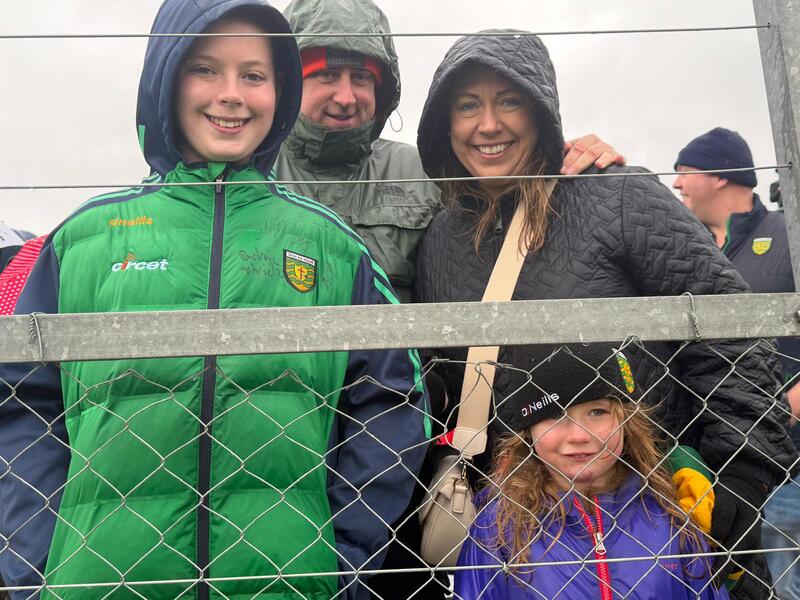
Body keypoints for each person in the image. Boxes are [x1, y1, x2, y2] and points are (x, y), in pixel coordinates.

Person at [0, 1, 428, 598]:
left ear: (278, 91)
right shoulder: (83, 240)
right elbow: (21, 402)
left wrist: (343, 558)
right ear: (165, 78)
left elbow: (392, 399)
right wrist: (35, 565)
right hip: (102, 582)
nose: (231, 94)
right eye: (205, 69)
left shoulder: (331, 245)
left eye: (254, 74)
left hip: (284, 580)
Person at [414, 30, 797, 600]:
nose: (488, 124)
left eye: (509, 100)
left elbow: (731, 333)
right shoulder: (440, 241)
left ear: (541, 111)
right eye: (468, 105)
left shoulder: (618, 196)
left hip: (663, 521)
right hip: (519, 545)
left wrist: (739, 474)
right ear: (444, 123)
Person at [274, 3, 624, 598]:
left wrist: (569, 159)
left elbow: (506, 198)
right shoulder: (244, 173)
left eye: (363, 78)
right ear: (287, 79)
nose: (346, 95)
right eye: (324, 75)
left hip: (398, 446)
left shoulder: (422, 172)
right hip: (277, 432)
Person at [455, 343, 729, 599]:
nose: (579, 435)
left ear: (627, 420)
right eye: (555, 414)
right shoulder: (496, 528)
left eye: (597, 412)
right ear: (528, 430)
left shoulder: (672, 514)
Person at [673, 128, 800, 599]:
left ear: (722, 175)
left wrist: (788, 405)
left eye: (685, 172)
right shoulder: (686, 251)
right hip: (714, 464)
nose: (676, 184)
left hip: (791, 460)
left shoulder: (788, 235)